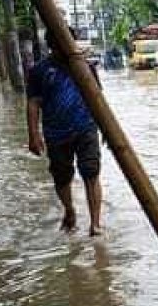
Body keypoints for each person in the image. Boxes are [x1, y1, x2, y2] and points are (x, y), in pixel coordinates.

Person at [27, 26, 103, 236]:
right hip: (56, 133)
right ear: (52, 45)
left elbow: (98, 99)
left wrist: (106, 129)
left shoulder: (85, 67)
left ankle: (95, 224)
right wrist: (34, 135)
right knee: (62, 176)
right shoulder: (40, 71)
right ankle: (70, 211)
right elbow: (33, 103)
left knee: (91, 172)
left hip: (86, 127)